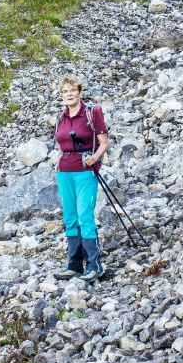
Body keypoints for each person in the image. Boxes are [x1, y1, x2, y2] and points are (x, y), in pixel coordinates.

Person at [53, 74, 109, 282]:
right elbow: (61, 143)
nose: (69, 95)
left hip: (85, 170)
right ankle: (74, 265)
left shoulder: (91, 113)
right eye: (65, 92)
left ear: (79, 92)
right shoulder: (60, 117)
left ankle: (94, 266)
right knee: (70, 216)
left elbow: (104, 141)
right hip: (64, 170)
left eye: (72, 91)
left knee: (84, 215)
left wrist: (94, 158)